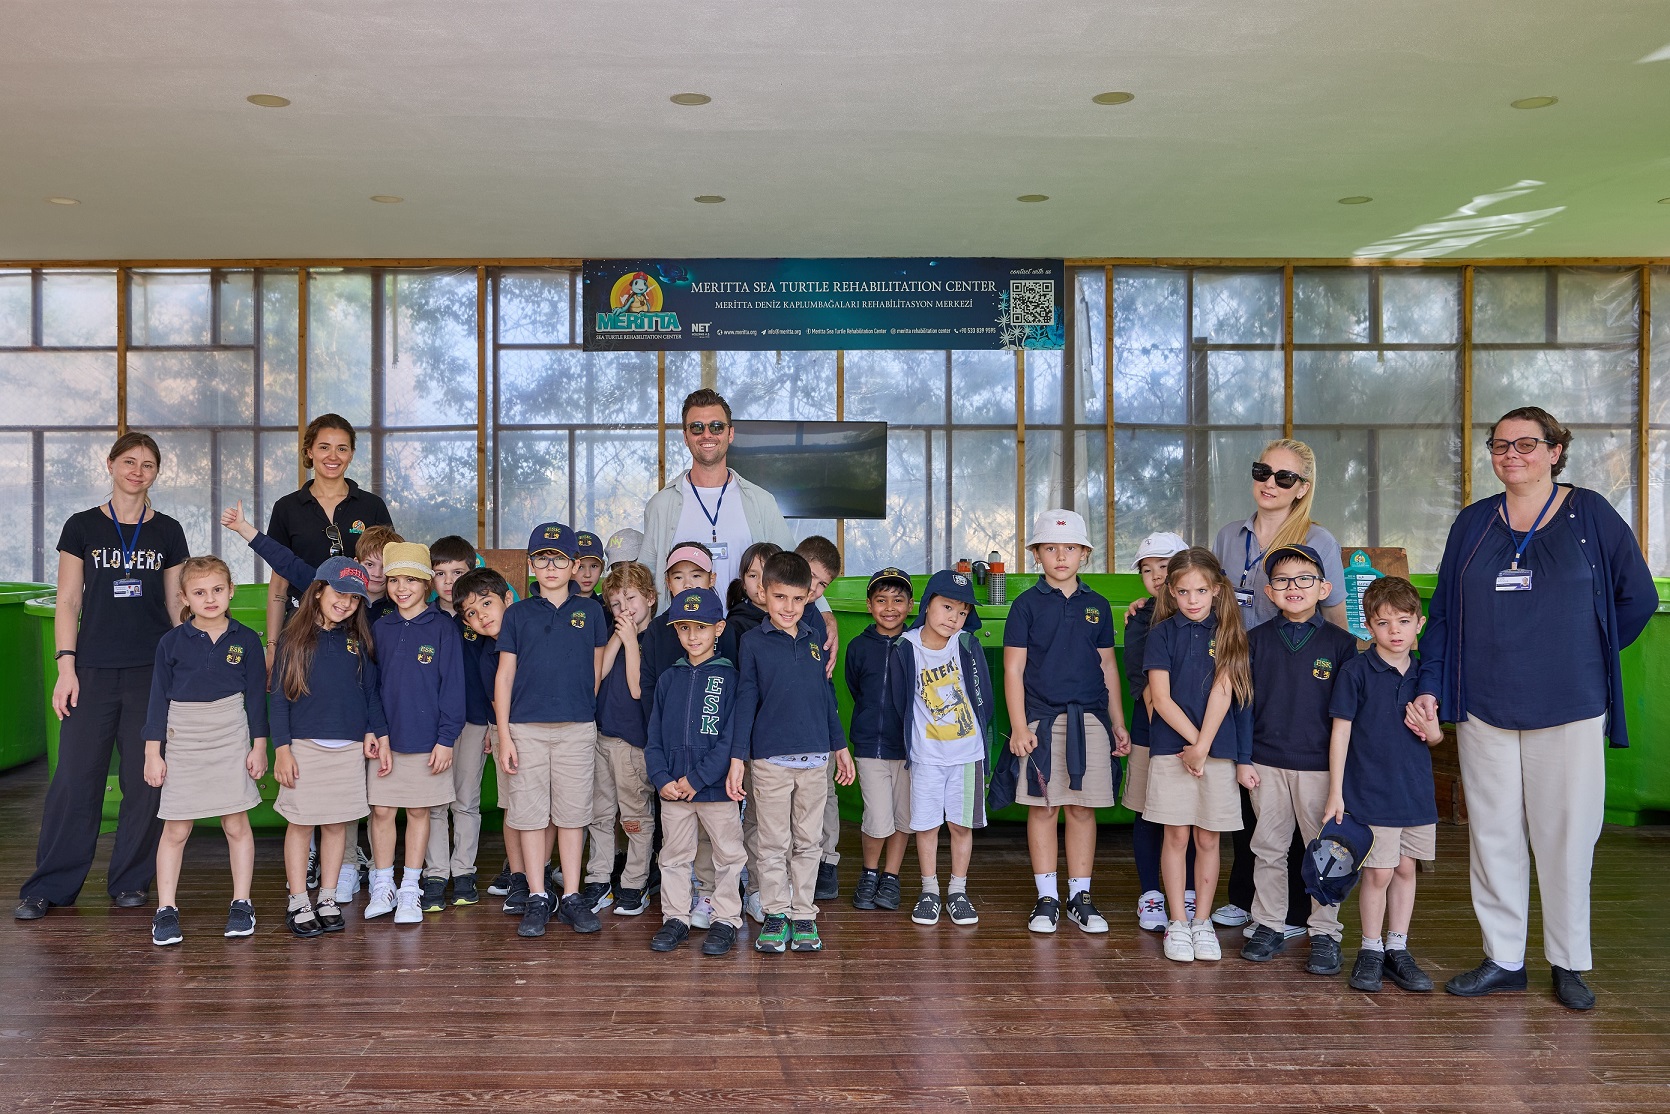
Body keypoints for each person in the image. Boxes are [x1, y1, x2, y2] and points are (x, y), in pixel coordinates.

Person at [1415, 406, 1655, 1011]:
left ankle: (1568, 962)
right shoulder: (1473, 523)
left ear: (1555, 451)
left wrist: (1587, 652)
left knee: (1567, 837)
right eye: (1500, 445)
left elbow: (1638, 597)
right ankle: (1504, 959)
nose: (1511, 455)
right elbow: (1442, 614)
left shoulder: (1590, 514)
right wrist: (1432, 685)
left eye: (1526, 444)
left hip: (1570, 703)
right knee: (1492, 834)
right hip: (1483, 705)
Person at [17, 432, 189, 922]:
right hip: (90, 671)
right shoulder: (82, 526)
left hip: (150, 673)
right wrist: (65, 668)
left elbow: (176, 605)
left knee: (145, 782)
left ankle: (131, 881)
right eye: (129, 461)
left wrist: (186, 668)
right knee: (75, 779)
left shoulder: (168, 531)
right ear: (110, 464)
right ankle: (50, 886)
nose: (138, 471)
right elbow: (68, 601)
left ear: (156, 473)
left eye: (148, 465)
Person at [1208, 437, 1345, 931]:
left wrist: (1339, 682)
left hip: (1296, 680)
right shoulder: (1229, 536)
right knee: (1250, 787)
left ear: (1302, 487)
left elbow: (1336, 619)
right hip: (1239, 675)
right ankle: (1247, 898)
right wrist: (1150, 604)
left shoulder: (1318, 539)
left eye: (1284, 477)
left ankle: (1295, 910)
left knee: (1298, 800)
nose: (1270, 483)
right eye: (1262, 472)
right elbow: (1204, 596)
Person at [996, 510, 1130, 935]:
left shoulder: (1098, 605)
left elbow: (1108, 666)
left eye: (1070, 547)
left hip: (1090, 718)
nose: (1060, 556)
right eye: (1050, 548)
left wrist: (1117, 722)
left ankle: (1079, 896)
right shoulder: (1025, 605)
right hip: (1041, 719)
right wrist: (1019, 726)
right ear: (1036, 554)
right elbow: (1013, 669)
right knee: (1043, 808)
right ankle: (1047, 897)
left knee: (1082, 809)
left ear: (1084, 554)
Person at [639, 388, 838, 659]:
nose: (707, 434)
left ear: (730, 433)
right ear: (685, 436)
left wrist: (824, 612)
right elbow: (645, 577)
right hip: (683, 640)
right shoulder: (660, 505)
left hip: (750, 640)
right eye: (696, 427)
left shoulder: (761, 501)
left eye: (716, 426)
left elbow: (793, 568)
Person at [1240, 544, 1360, 976]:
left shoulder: (1342, 645)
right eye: (1283, 580)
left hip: (1320, 767)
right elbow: (1243, 705)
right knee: (1268, 847)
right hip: (1266, 762)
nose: (1294, 587)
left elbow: (1348, 718)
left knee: (1325, 853)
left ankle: (1325, 932)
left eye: (1305, 579)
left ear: (1324, 588)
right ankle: (1269, 923)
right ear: (1269, 592)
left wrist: (1342, 779)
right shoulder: (1255, 641)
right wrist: (1243, 758)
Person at [140, 556, 268, 946]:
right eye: (199, 592)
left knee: (236, 824)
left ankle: (242, 903)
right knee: (176, 828)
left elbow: (256, 700)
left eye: (217, 590)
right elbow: (157, 700)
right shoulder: (171, 642)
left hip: (231, 734)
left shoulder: (247, 640)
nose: (210, 599)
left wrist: (259, 746)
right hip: (183, 738)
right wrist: (153, 753)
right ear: (184, 598)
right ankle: (165, 909)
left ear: (231, 591)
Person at [734, 552, 856, 954]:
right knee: (772, 843)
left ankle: (804, 914)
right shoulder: (752, 642)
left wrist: (840, 747)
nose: (789, 607)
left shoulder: (815, 639)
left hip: (816, 760)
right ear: (763, 593)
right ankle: (776, 913)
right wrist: (737, 758)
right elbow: (745, 701)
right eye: (780, 597)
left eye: (798, 599)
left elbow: (825, 697)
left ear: (808, 598)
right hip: (769, 761)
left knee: (808, 841)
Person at [1327, 576, 1444, 994]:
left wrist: (1433, 733)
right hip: (1370, 791)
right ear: (1368, 626)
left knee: (1406, 868)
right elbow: (1340, 732)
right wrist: (1336, 792)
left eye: (1404, 621)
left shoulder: (1426, 675)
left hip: (1415, 792)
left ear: (1419, 623)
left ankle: (1397, 948)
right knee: (1378, 872)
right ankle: (1370, 948)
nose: (1395, 631)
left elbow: (1435, 736)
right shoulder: (1356, 671)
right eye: (1383, 622)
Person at [494, 522, 609, 939]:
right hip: (525, 729)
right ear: (531, 564)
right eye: (542, 558)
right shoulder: (517, 614)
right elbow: (504, 677)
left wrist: (575, 707)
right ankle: (538, 894)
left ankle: (572, 895)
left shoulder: (591, 612)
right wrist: (505, 735)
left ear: (574, 565)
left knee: (572, 814)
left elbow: (595, 671)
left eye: (559, 559)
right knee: (528, 814)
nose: (551, 566)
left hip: (576, 728)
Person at [1144, 547, 1254, 964]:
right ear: (1171, 592)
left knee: (1208, 838)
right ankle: (1177, 921)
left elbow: (1224, 692)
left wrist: (1204, 747)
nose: (1193, 600)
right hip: (1171, 750)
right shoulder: (1161, 634)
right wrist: (1192, 747)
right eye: (1184, 591)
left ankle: (1202, 921)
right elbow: (1161, 698)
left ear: (1216, 590)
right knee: (1175, 836)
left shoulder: (1228, 633)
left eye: (1201, 591)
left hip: (1217, 752)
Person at [269, 558, 387, 938]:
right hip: (304, 747)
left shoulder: (359, 641)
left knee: (337, 824)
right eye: (339, 593)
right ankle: (298, 900)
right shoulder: (293, 637)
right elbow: (278, 699)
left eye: (354, 598)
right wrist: (282, 749)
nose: (346, 603)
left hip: (348, 748)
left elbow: (370, 693)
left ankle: (328, 896)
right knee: (301, 824)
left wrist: (373, 731)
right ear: (318, 590)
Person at [644, 587, 748, 957]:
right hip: (673, 790)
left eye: (701, 627)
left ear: (719, 628)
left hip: (716, 790)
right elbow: (653, 737)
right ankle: (675, 917)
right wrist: (662, 779)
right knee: (673, 856)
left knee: (728, 855)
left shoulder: (730, 678)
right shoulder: (668, 679)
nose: (692, 636)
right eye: (684, 628)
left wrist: (698, 779)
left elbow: (731, 740)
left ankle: (726, 919)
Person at [363, 543, 462, 926]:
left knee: (420, 811)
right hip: (387, 738)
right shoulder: (380, 628)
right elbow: (370, 687)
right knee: (382, 810)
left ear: (426, 584)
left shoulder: (443, 628)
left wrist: (446, 739)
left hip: (427, 739)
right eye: (394, 580)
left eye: (410, 580)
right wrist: (376, 730)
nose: (401, 588)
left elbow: (453, 687)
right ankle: (384, 884)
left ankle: (409, 888)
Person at [890, 570, 993, 928]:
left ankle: (958, 891)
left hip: (967, 755)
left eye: (962, 612)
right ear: (927, 605)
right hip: (927, 758)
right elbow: (898, 701)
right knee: (927, 825)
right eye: (947, 607)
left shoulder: (966, 645)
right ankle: (930, 890)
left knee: (961, 826)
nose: (954, 617)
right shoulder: (905, 647)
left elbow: (983, 696)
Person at [264, 413, 393, 663]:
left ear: (351, 454)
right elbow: (279, 585)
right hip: (303, 629)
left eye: (341, 448)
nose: (333, 456)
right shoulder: (287, 508)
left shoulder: (372, 506)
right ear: (309, 451)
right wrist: (272, 646)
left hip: (361, 628)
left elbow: (388, 570)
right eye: (324, 447)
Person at [1122, 531, 1195, 932]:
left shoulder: (1206, 615)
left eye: (1164, 567)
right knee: (1148, 812)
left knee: (1191, 816)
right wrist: (1171, 738)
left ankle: (1188, 892)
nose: (1155, 576)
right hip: (1153, 733)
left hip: (1200, 733)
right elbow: (1146, 686)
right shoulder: (1140, 620)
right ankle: (1151, 893)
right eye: (1147, 570)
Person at [584, 560, 658, 918]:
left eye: (630, 599)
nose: (623, 608)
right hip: (602, 737)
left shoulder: (656, 638)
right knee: (599, 814)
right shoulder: (612, 636)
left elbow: (637, 687)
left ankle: (635, 881)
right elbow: (597, 675)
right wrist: (617, 636)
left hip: (633, 744)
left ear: (651, 598)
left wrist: (630, 640)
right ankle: (599, 879)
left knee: (635, 817)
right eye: (615, 603)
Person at [453, 569, 522, 909]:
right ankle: (519, 875)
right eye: (471, 613)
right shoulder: (486, 656)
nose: (481, 615)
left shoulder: (530, 633)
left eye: (486, 603)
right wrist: (502, 736)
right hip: (507, 730)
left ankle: (540, 869)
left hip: (545, 727)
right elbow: (497, 704)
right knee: (513, 805)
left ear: (508, 598)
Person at [846, 568, 913, 913]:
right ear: (869, 605)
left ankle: (891, 876)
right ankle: (870, 872)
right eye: (881, 600)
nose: (890, 608)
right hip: (870, 746)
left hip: (911, 749)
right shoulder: (858, 647)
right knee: (877, 817)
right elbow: (856, 688)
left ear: (910, 605)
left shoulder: (917, 645)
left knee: (904, 816)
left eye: (898, 600)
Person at [797, 534, 845, 902]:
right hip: (777, 725)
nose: (814, 589)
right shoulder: (772, 608)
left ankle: (826, 860)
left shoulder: (818, 620)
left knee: (824, 792)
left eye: (823, 585)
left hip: (818, 720)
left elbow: (825, 682)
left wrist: (835, 736)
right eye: (811, 577)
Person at [428, 535, 477, 618]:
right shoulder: (424, 615)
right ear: (431, 578)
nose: (448, 581)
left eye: (457, 572)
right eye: (440, 574)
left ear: (472, 575)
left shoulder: (482, 615)